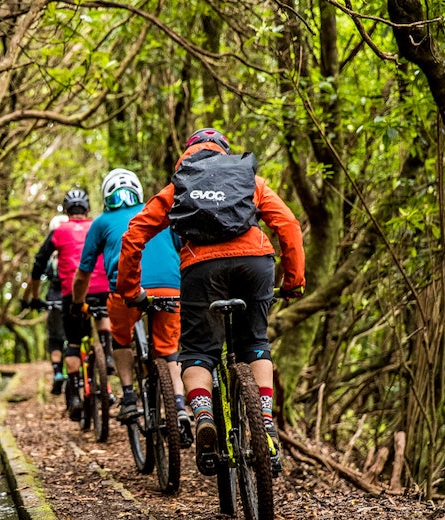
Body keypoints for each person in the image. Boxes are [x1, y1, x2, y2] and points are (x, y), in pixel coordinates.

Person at [116, 128, 305, 473]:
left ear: (188, 154)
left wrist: (130, 290)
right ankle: (264, 420)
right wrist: (293, 281)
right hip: (255, 263)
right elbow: (288, 225)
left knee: (199, 352)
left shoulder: (180, 186)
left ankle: (203, 414)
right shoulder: (249, 180)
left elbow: (134, 235)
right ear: (224, 152)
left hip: (202, 269)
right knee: (255, 344)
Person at [71, 168, 190, 445]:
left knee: (121, 341)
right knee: (169, 351)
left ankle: (127, 397)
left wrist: (77, 303)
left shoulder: (101, 223)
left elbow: (83, 273)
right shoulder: (157, 212)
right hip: (170, 287)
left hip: (126, 290)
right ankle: (179, 406)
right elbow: (182, 247)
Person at [24, 189, 111, 421]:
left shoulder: (59, 231)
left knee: (72, 343)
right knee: (103, 313)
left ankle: (74, 398)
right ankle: (107, 353)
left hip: (72, 293)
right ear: (87, 209)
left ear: (65, 211)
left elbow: (39, 263)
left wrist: (35, 296)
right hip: (102, 288)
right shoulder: (98, 226)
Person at [23, 214, 69, 394]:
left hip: (55, 298)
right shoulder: (79, 247)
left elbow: (34, 275)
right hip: (78, 295)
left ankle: (57, 373)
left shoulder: (50, 256)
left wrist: (30, 299)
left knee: (55, 339)